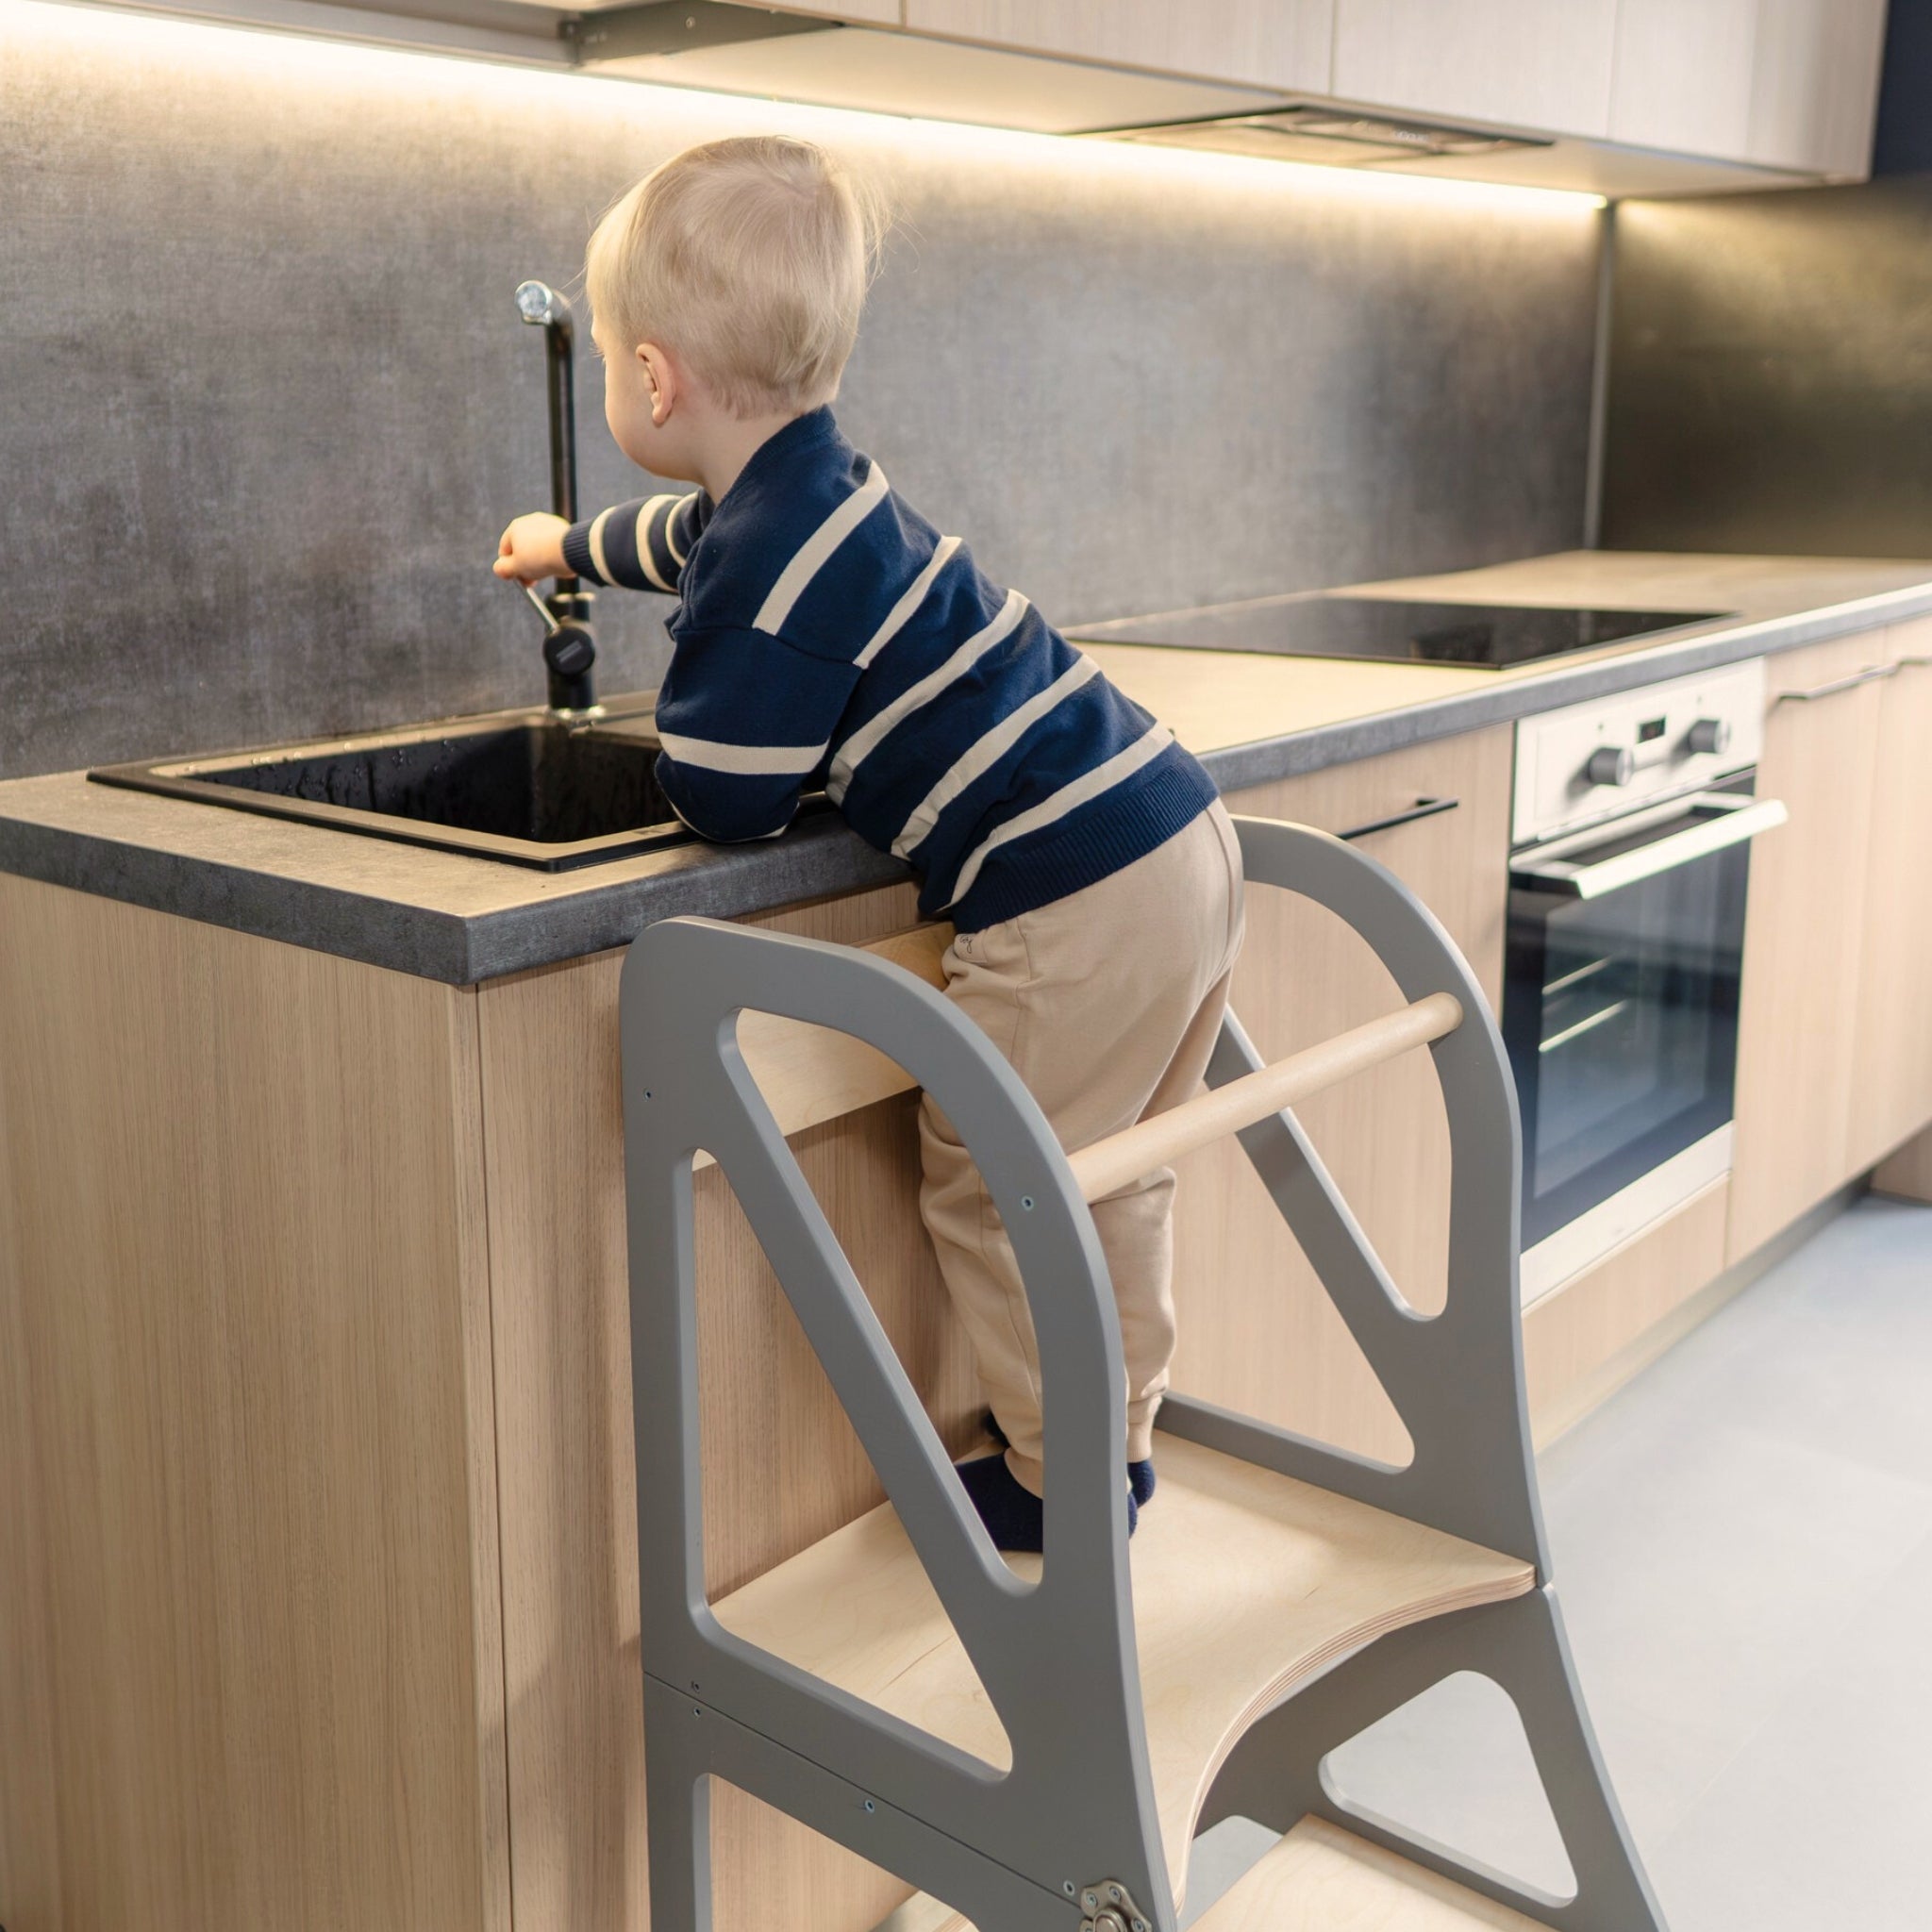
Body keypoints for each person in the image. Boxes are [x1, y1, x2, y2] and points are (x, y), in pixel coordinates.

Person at [495, 135, 1244, 1553]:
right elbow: (689, 536)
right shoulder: (818, 489)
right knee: (1118, 1165)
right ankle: (1117, 1434)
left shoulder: (766, 573)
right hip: (1172, 833)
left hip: (1069, 898)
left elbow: (722, 790)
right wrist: (570, 548)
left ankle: (1058, 1480)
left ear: (652, 381)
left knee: (995, 1175)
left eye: (607, 359)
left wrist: (696, 689)